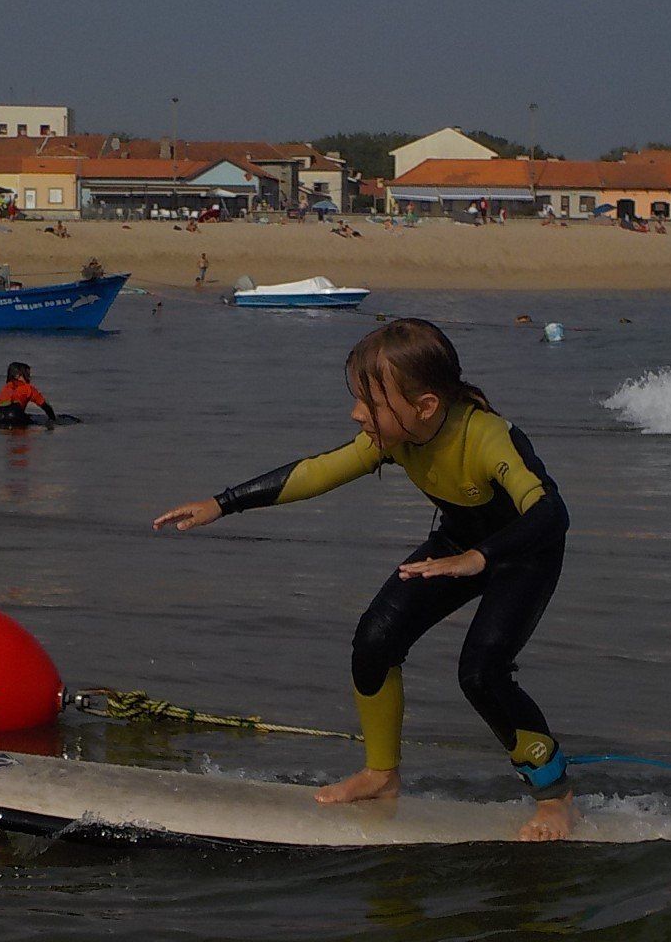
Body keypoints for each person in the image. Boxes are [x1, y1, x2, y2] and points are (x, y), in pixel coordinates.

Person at [152, 318, 575, 841]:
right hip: (457, 544)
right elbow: (317, 471)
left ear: (424, 406)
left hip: (524, 553)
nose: (357, 414)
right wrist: (221, 504)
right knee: (375, 639)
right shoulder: (398, 437)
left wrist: (481, 558)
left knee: (481, 672)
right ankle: (381, 775)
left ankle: (554, 798)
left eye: (370, 403)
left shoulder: (486, 437)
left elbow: (551, 513)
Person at [0, 362, 57, 429]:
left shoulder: (6, 387)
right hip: (14, 414)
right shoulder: (28, 388)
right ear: (18, 376)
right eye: (27, 375)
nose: (29, 378)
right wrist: (53, 419)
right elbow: (45, 407)